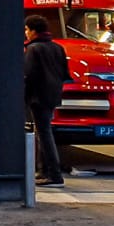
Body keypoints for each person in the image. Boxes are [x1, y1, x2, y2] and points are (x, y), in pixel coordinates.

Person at [23, 14, 70, 186]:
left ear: (33, 30)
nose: (26, 33)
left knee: (43, 134)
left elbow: (27, 74)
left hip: (38, 97)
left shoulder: (33, 49)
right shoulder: (58, 48)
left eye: (27, 29)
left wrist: (24, 97)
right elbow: (65, 73)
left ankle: (54, 175)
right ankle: (43, 171)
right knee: (43, 132)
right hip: (53, 95)